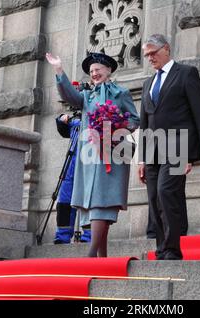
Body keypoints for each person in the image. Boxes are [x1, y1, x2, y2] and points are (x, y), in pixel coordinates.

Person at [46, 51, 140, 257]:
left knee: (103, 201)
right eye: (91, 71)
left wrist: (117, 128)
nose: (94, 74)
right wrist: (58, 69)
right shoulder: (87, 96)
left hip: (114, 154)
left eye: (98, 69)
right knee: (94, 203)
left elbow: (135, 120)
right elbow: (68, 96)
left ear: (108, 71)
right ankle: (101, 256)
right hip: (90, 156)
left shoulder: (121, 93)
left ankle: (92, 253)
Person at [138, 34, 200, 260]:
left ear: (167, 49)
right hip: (152, 149)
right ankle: (162, 247)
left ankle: (173, 248)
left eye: (153, 53)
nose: (150, 58)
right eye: (147, 55)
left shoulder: (186, 73)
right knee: (154, 197)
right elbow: (144, 123)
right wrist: (142, 159)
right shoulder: (148, 83)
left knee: (166, 191)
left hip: (177, 146)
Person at [54, 113, 91, 244]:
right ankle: (62, 235)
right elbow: (63, 130)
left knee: (88, 201)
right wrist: (61, 119)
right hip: (71, 166)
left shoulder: (96, 117)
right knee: (64, 202)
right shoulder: (75, 123)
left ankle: (89, 236)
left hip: (88, 164)